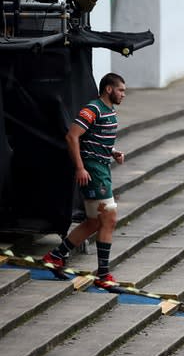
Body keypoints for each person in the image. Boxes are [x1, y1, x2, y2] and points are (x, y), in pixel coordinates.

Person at [43, 73, 126, 288]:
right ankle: (104, 275)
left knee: (94, 222)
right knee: (109, 218)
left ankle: (56, 256)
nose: (123, 94)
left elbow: (94, 138)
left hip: (102, 168)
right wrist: (80, 167)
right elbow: (72, 136)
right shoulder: (93, 109)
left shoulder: (110, 111)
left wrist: (113, 151)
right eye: (121, 90)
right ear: (108, 89)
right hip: (93, 171)